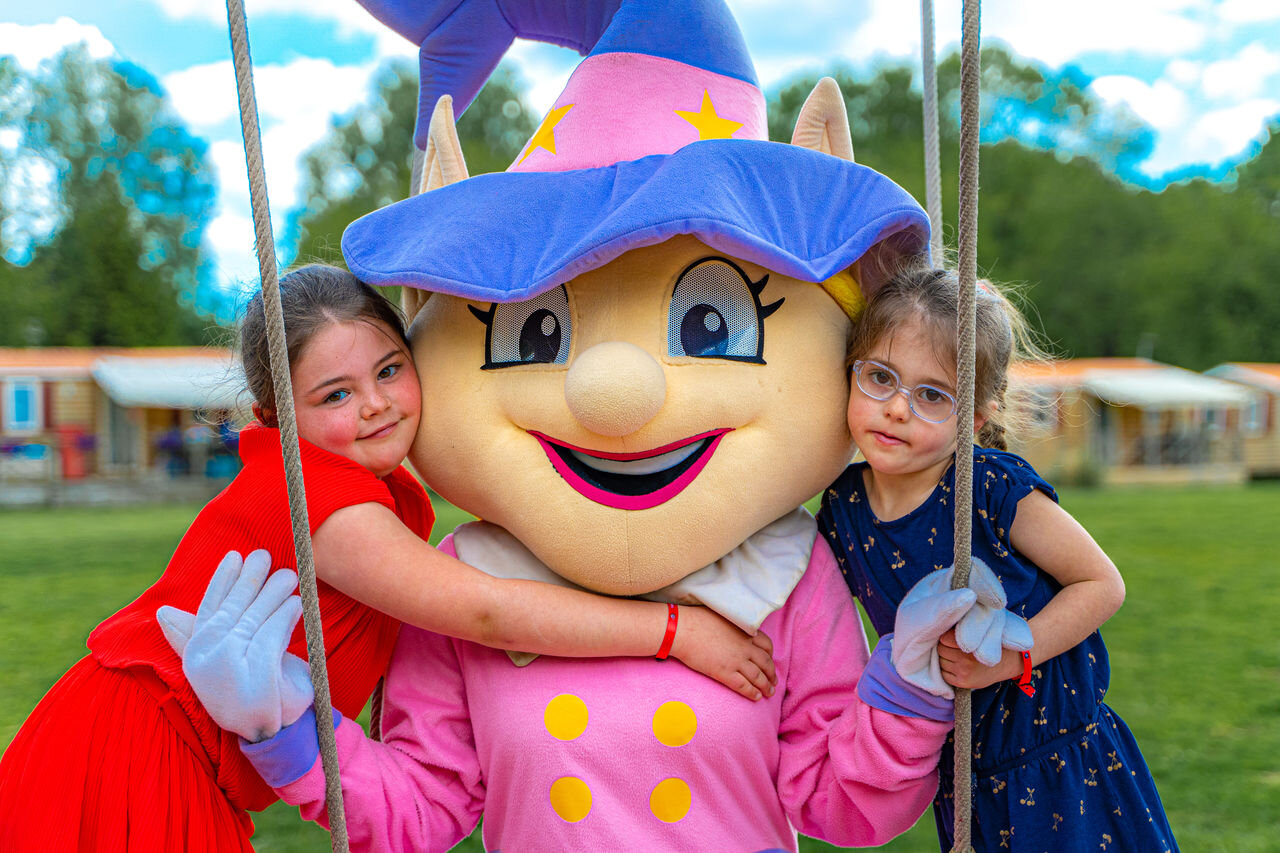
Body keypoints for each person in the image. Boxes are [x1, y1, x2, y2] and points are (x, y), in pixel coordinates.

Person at [0, 264, 776, 853]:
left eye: (389, 371)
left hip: (175, 745)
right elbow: (484, 608)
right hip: (139, 740)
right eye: (334, 395)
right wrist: (674, 630)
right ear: (278, 418)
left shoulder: (369, 486)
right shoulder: (315, 500)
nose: (374, 403)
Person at [817, 265, 1178, 852]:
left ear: (975, 419)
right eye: (879, 377)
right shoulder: (843, 506)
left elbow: (1101, 583)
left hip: (1061, 767)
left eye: (932, 395)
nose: (898, 408)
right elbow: (810, 611)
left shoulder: (989, 490)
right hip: (963, 777)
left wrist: (1012, 658)